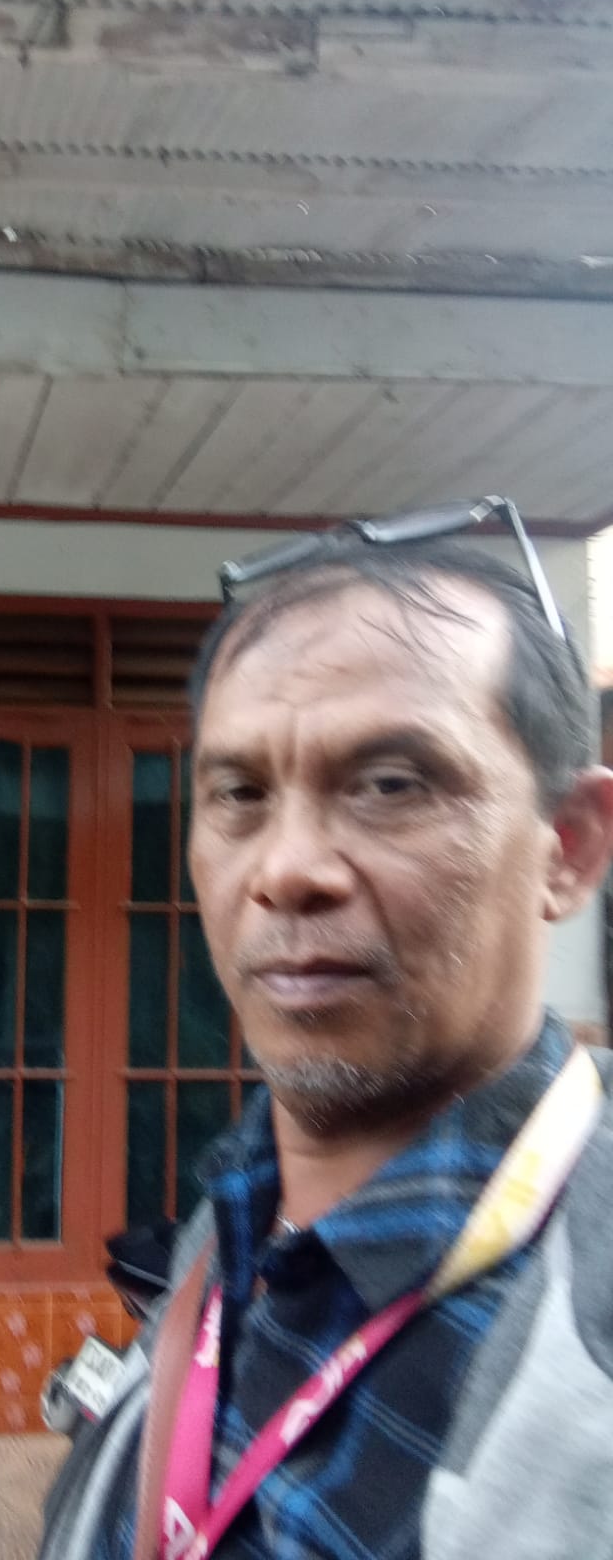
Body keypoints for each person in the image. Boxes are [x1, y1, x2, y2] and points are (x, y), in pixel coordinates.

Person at [39, 503, 613, 1560]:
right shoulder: (231, 1220)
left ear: (568, 848)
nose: (287, 868)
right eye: (239, 792)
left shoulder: (589, 1342)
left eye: (391, 784)